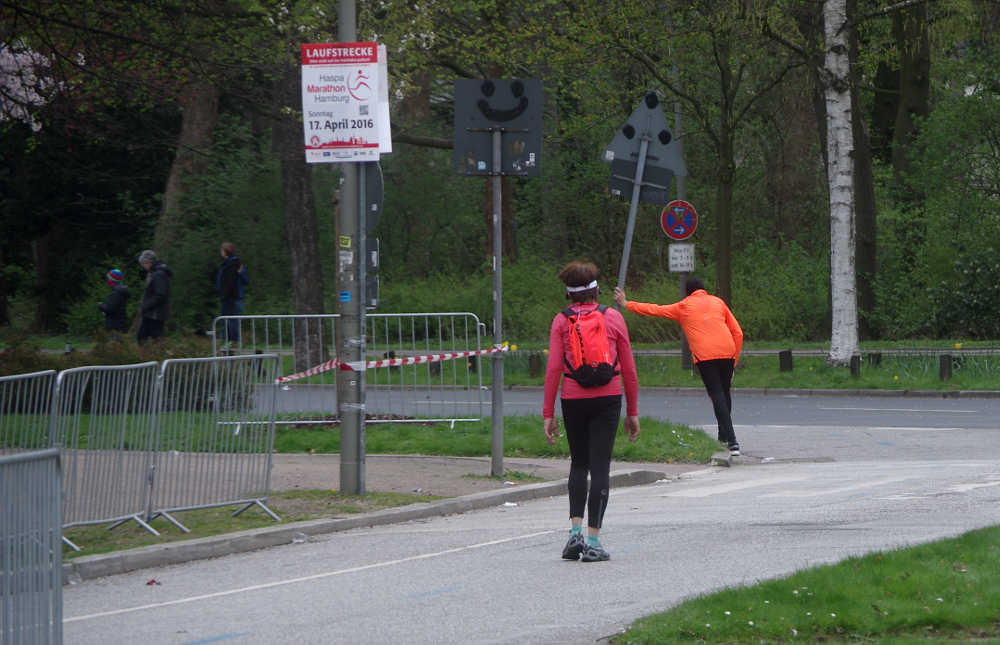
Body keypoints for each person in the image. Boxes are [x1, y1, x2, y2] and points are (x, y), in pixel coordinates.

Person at [543, 261, 640, 563]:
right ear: (597, 290)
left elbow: (554, 369)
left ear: (568, 295)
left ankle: (574, 536)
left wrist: (548, 412)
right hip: (608, 398)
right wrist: (632, 411)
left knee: (578, 464)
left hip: (573, 398)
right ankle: (594, 542)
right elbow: (630, 369)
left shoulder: (561, 321)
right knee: (600, 467)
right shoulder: (613, 318)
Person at [615, 278, 744, 455]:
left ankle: (733, 442)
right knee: (725, 391)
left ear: (687, 292)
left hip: (705, 355)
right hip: (728, 351)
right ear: (703, 290)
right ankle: (724, 437)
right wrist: (734, 361)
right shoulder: (718, 302)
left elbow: (654, 309)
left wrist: (626, 303)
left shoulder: (682, 307)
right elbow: (738, 333)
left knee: (717, 395)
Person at [216, 242, 249, 347]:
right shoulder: (227, 265)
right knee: (226, 319)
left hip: (233, 297)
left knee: (233, 320)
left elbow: (230, 282)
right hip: (229, 297)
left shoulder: (231, 265)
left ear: (225, 252)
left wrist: (224, 296)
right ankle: (224, 338)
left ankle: (233, 341)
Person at [136, 250, 173, 343]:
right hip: (151, 314)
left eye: (143, 264)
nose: (144, 267)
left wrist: (148, 305)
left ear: (147, 262)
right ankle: (148, 355)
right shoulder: (158, 273)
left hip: (155, 313)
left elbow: (161, 294)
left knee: (155, 339)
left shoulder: (158, 274)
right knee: (142, 337)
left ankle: (155, 356)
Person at [97, 269, 130, 336]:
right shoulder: (121, 292)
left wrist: (100, 305)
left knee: (113, 345)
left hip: (115, 327)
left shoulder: (116, 293)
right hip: (120, 325)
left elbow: (110, 309)